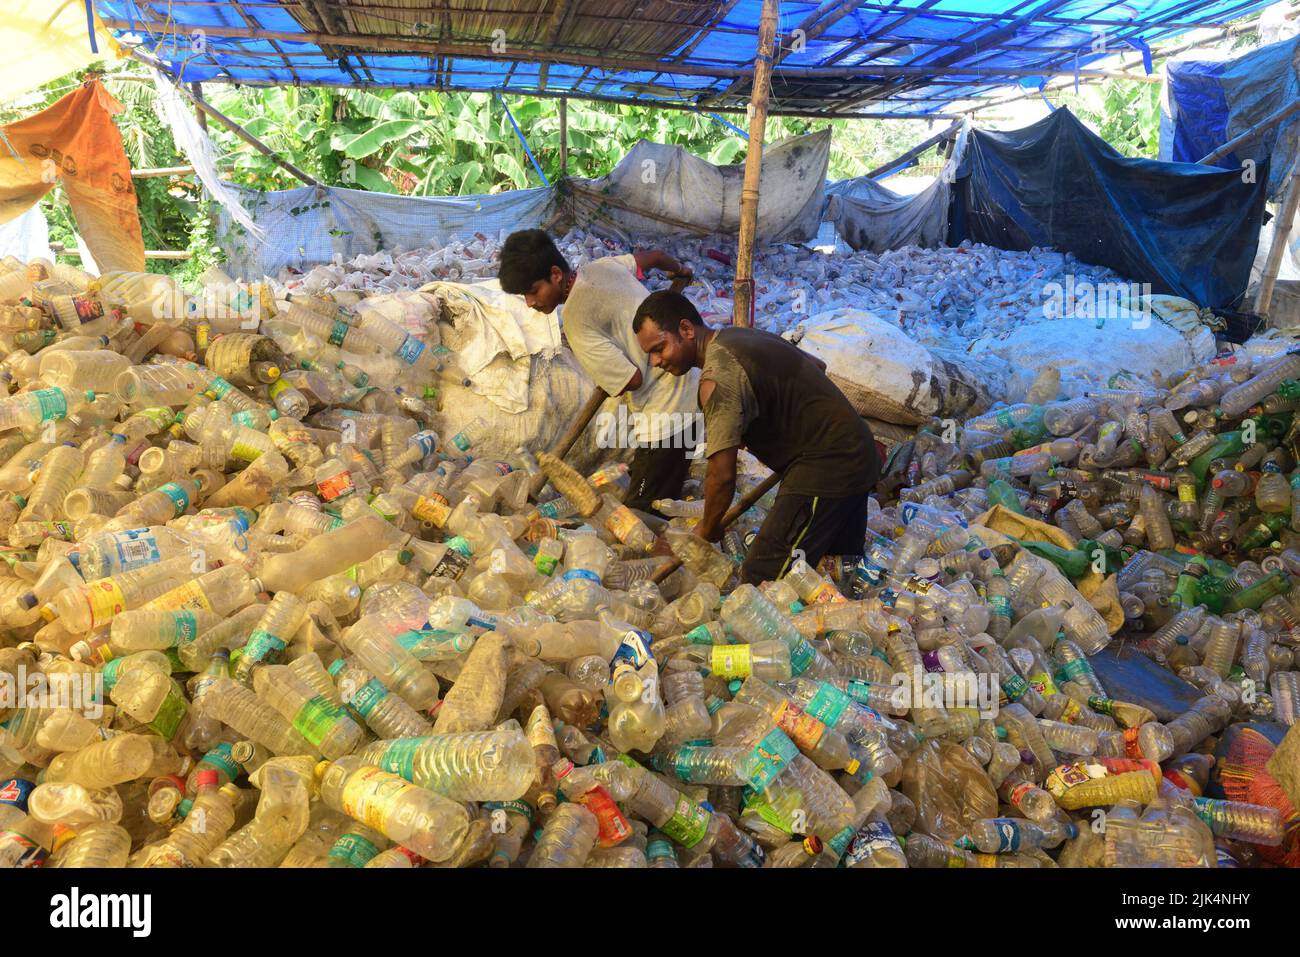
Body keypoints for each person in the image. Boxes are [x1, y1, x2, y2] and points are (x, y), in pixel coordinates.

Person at [633, 291, 880, 585]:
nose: (656, 361)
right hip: (858, 449)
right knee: (840, 566)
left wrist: (708, 527)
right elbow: (817, 367)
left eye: (659, 348)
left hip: (828, 464)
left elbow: (722, 477)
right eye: (650, 353)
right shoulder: (741, 337)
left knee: (765, 576)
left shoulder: (717, 380)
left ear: (686, 330)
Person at [498, 230, 700, 515]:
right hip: (693, 391)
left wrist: (607, 373)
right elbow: (654, 257)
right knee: (665, 496)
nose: (530, 303)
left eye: (533, 291)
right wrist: (680, 270)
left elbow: (632, 379)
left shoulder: (576, 319)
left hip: (667, 418)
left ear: (556, 274)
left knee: (641, 519)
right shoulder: (603, 267)